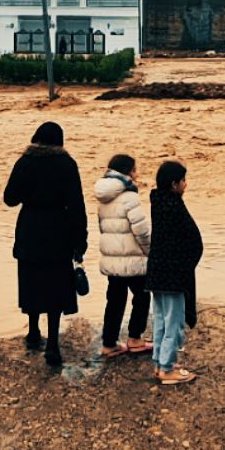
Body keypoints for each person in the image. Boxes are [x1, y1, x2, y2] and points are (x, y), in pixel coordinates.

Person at [3, 121, 89, 368]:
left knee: (31, 281)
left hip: (30, 228)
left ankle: (32, 334)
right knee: (56, 287)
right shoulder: (67, 164)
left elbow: (9, 199)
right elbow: (77, 204)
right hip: (58, 231)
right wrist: (80, 240)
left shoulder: (24, 162)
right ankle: (52, 344)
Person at [145, 161, 203, 386]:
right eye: (183, 181)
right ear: (173, 184)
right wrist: (188, 266)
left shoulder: (159, 201)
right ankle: (167, 368)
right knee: (174, 322)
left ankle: (161, 363)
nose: (185, 185)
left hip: (158, 272)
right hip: (173, 275)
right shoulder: (173, 205)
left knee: (160, 319)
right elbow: (189, 239)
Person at [93, 154, 154, 360]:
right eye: (135, 169)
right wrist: (149, 251)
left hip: (112, 259)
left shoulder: (102, 198)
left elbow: (103, 227)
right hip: (134, 259)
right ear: (127, 172)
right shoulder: (130, 197)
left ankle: (109, 344)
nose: (137, 174)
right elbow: (142, 231)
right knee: (142, 296)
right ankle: (135, 339)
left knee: (115, 301)